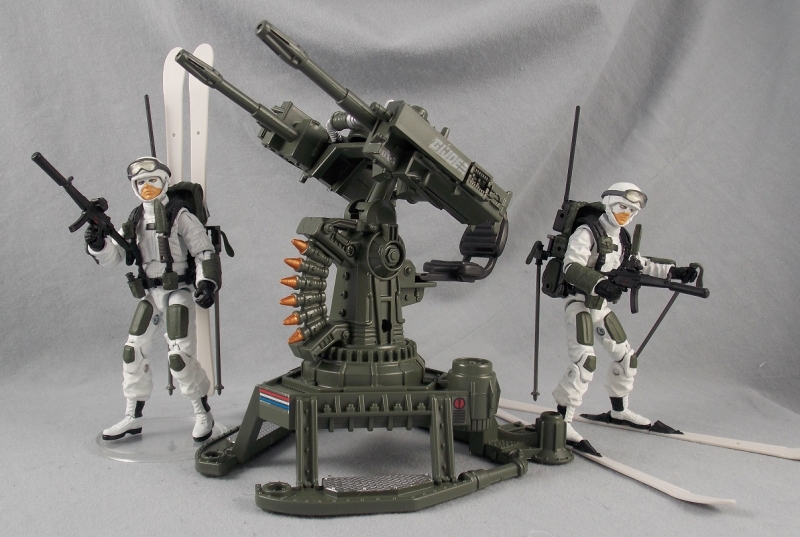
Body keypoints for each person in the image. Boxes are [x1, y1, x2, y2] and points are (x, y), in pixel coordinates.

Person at [552, 182, 697, 452]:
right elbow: (571, 267)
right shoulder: (587, 232)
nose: (626, 214)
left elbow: (640, 264)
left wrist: (674, 272)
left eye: (632, 210)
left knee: (627, 357)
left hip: (601, 307)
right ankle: (562, 421)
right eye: (622, 207)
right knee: (585, 361)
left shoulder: (623, 239)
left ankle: (619, 411)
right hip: (579, 303)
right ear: (608, 203)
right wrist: (599, 283)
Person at [85, 156, 221, 442]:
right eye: (141, 182)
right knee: (132, 351)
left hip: (178, 292)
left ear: (164, 182)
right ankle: (132, 417)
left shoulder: (180, 215)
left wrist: (207, 283)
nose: (147, 186)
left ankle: (202, 413)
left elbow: (204, 251)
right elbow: (117, 257)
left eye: (153, 180)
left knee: (179, 357)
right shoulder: (135, 218)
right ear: (134, 186)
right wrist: (98, 245)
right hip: (150, 294)